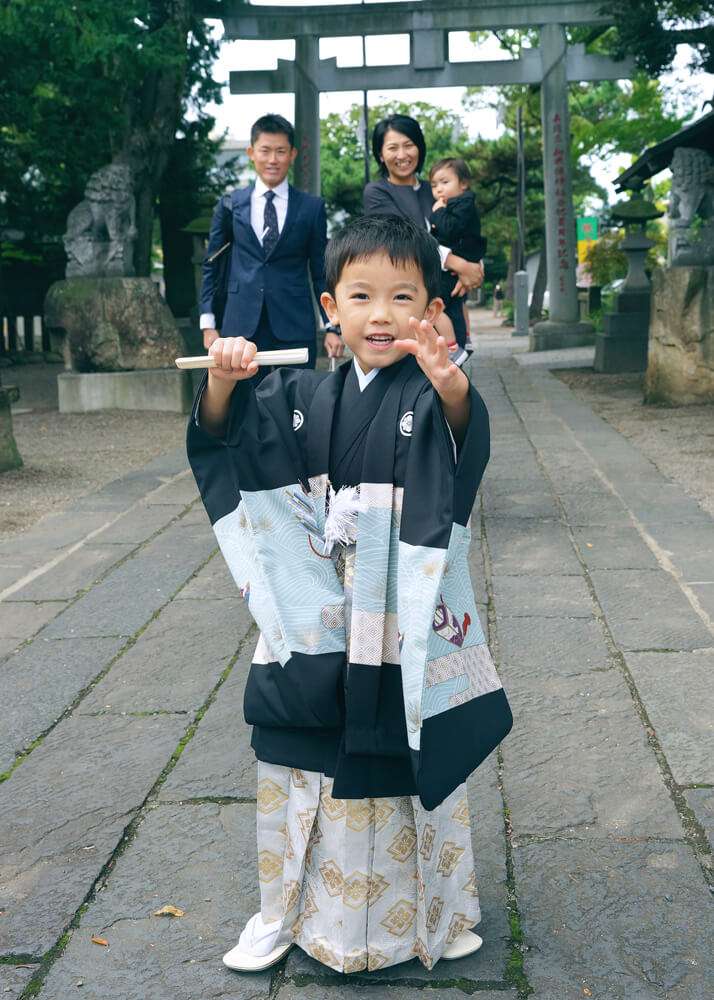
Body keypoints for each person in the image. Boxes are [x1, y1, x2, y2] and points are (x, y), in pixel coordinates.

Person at [187, 215, 512, 976]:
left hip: (398, 613)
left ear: (433, 310)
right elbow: (230, 439)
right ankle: (282, 912)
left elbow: (464, 441)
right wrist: (222, 381)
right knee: (300, 754)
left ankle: (437, 909)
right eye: (361, 295)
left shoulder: (432, 393)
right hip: (314, 611)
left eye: (404, 296)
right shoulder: (298, 392)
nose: (382, 313)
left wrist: (455, 391)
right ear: (329, 306)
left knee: (408, 751)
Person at [199, 113, 343, 369]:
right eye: (265, 151)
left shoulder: (312, 208)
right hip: (239, 327)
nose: (273, 160)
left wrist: (333, 326)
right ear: (251, 152)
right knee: (242, 404)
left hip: (294, 324)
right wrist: (209, 324)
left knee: (296, 403)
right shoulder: (230, 205)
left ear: (293, 154)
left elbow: (321, 270)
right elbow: (212, 265)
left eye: (281, 151)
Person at [362, 114, 484, 357]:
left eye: (409, 145)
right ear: (380, 154)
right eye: (392, 148)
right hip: (407, 301)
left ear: (420, 147)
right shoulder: (377, 192)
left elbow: (466, 226)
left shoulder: (437, 188)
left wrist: (475, 266)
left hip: (448, 296)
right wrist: (460, 265)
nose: (402, 155)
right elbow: (407, 242)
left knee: (452, 372)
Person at [429, 158, 487, 363]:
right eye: (434, 185)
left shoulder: (461, 205)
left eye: (445, 183)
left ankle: (454, 348)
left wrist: (438, 213)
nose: (439, 189)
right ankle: (463, 342)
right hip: (456, 264)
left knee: (433, 306)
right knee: (453, 306)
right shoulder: (458, 203)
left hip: (455, 264)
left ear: (463, 183)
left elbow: (450, 229)